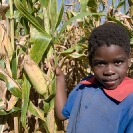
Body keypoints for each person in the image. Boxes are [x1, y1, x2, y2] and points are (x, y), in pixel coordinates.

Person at [51, 22, 133, 133]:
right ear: (90, 63)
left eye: (118, 62)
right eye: (100, 63)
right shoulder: (84, 86)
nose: (109, 71)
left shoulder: (130, 99)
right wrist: (59, 77)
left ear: (129, 59)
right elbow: (62, 114)